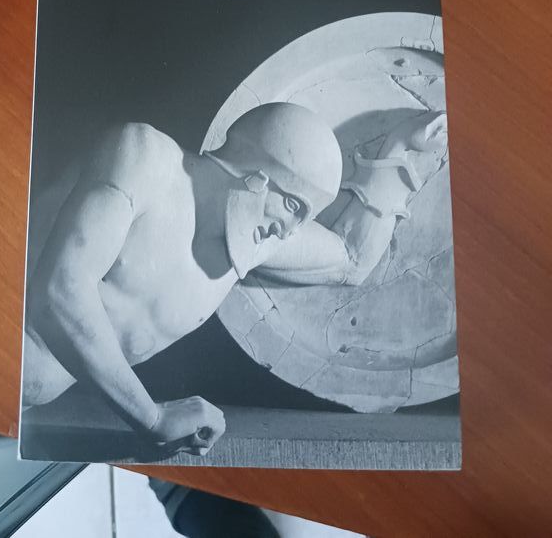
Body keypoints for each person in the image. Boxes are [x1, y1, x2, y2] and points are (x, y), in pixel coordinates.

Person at [22, 102, 446, 458]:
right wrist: (152, 418)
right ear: (257, 176)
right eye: (294, 208)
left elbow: (351, 259)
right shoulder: (143, 157)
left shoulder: (253, 238)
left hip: (18, 408)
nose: (289, 233)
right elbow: (59, 293)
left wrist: (400, 153)